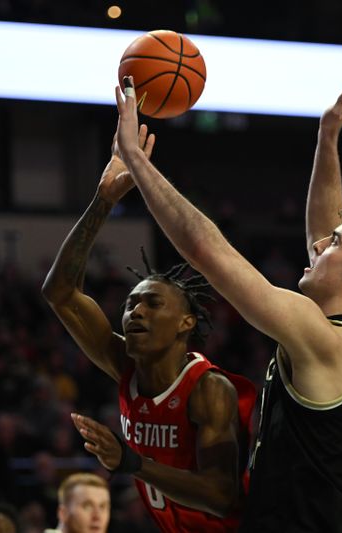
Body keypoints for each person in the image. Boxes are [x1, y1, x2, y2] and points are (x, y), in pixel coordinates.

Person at [113, 65, 342, 533]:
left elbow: (207, 252)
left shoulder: (323, 339)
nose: (319, 245)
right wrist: (328, 137)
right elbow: (325, 224)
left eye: (334, 246)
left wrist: (138, 162)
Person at [41, 128, 255, 532]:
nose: (136, 311)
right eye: (130, 303)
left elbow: (220, 495)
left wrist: (131, 462)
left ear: (186, 323)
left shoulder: (209, 389)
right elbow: (60, 293)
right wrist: (103, 200)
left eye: (153, 303)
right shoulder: (126, 365)